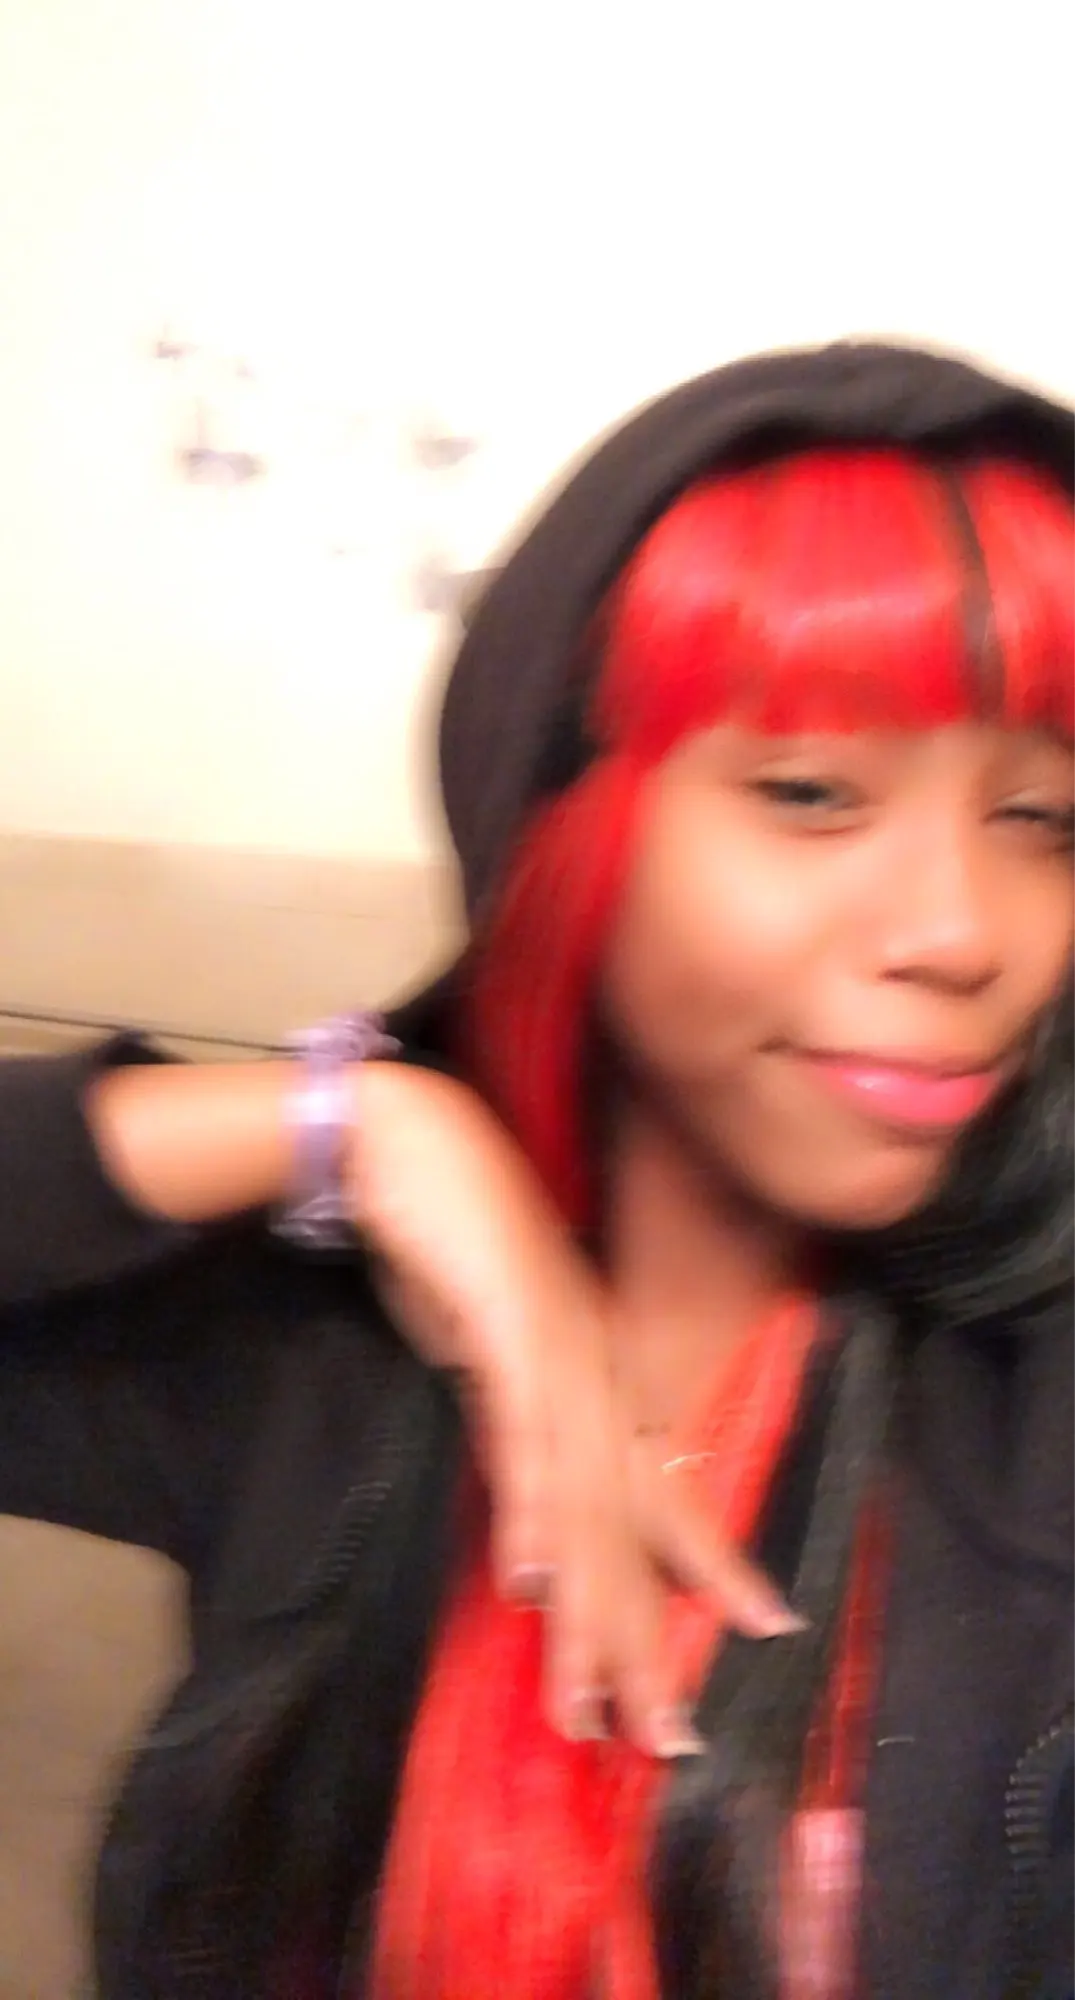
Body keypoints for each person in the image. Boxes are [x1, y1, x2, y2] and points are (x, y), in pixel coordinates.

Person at [0, 339, 1070, 2000]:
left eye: (1043, 822)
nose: (960, 935)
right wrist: (361, 1129)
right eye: (810, 793)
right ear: (566, 832)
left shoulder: (1029, 1405)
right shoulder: (288, 1347)